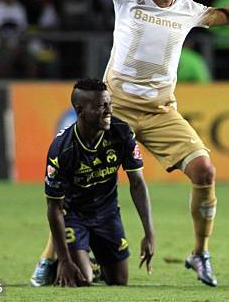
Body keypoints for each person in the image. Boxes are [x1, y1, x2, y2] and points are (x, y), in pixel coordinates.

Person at [31, 0, 229, 288]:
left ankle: (200, 253)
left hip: (160, 111)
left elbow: (225, 16)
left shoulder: (188, 8)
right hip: (114, 107)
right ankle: (49, 257)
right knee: (81, 182)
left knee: (205, 171)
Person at [40, 78, 154, 287]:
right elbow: (53, 207)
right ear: (80, 110)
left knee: (119, 281)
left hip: (107, 213)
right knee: (82, 280)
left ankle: (92, 262)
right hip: (74, 215)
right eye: (101, 106)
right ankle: (55, 261)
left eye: (109, 104)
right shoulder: (62, 150)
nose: (108, 110)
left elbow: (137, 183)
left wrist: (149, 233)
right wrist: (65, 261)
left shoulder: (122, 133)